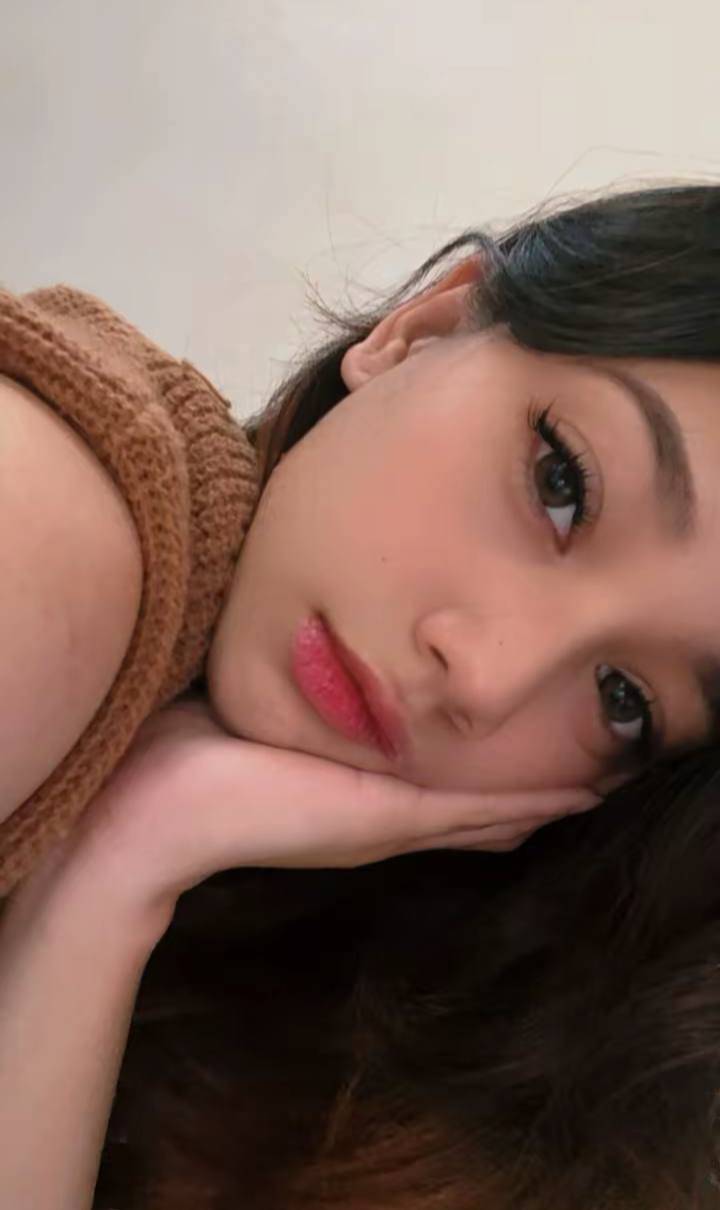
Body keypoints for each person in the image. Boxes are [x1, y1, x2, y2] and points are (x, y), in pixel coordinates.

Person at [2, 182, 720, 1208]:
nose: (487, 676)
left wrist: (111, 872)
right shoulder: (65, 528)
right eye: (560, 484)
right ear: (420, 329)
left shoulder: (412, 997)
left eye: (624, 698)